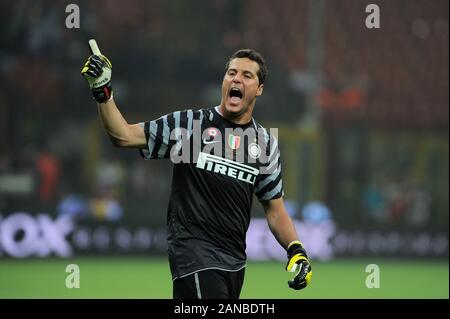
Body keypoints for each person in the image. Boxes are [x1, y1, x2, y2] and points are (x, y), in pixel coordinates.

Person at [81, 46, 312, 299]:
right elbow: (123, 136)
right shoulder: (189, 126)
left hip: (235, 262)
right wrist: (103, 92)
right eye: (231, 72)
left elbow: (275, 209)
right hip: (193, 253)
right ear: (224, 81)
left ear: (259, 89)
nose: (236, 78)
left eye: (247, 75)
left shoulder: (264, 143)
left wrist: (295, 248)